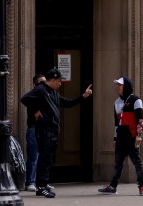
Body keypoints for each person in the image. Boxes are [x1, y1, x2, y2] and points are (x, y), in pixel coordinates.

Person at [21, 68, 93, 198]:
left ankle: (43, 184)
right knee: (44, 158)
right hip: (45, 130)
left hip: (53, 130)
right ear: (53, 80)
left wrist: (83, 96)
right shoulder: (41, 89)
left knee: (48, 159)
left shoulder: (53, 92)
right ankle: (41, 187)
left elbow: (67, 103)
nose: (60, 84)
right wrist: (36, 110)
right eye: (59, 81)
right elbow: (25, 99)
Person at [98, 76, 143, 196]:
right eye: (117, 85)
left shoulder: (136, 100)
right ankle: (113, 186)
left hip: (131, 136)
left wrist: (139, 137)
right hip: (120, 137)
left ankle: (142, 187)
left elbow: (140, 121)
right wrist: (115, 138)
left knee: (137, 162)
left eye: (120, 85)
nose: (117, 87)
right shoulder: (117, 102)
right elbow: (116, 123)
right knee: (118, 163)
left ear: (127, 87)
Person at [24, 73, 45, 191]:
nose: (43, 85)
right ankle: (30, 182)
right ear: (35, 84)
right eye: (40, 83)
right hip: (34, 129)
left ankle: (41, 182)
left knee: (42, 156)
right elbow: (25, 99)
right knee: (34, 156)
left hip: (44, 129)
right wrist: (36, 111)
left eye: (44, 82)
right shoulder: (33, 95)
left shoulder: (46, 95)